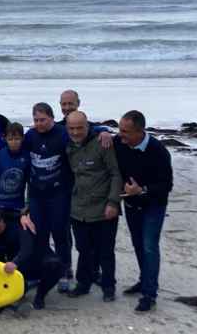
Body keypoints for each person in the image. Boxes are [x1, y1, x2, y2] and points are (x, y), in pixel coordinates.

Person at [114, 110, 173, 312]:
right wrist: (102, 133)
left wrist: (142, 190)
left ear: (140, 131)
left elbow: (166, 185)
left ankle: (149, 294)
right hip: (132, 205)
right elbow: (97, 135)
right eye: (119, 130)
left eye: (125, 131)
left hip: (153, 206)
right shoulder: (120, 142)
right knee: (138, 245)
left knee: (149, 246)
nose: (120, 135)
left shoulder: (158, 151)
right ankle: (143, 280)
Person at [65, 111, 122, 302]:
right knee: (83, 249)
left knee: (105, 250)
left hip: (104, 208)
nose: (75, 132)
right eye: (71, 128)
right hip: (78, 209)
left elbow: (115, 174)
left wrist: (113, 202)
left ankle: (108, 287)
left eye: (79, 127)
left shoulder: (102, 143)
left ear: (87, 126)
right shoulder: (68, 145)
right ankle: (83, 284)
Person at [22, 102, 75, 292]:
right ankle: (41, 271)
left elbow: (84, 134)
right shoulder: (31, 135)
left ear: (52, 118)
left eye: (43, 120)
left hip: (59, 193)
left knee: (60, 234)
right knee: (39, 235)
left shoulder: (62, 133)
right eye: (36, 120)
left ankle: (65, 271)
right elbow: (15, 146)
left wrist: (102, 132)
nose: (39, 124)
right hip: (37, 194)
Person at [0, 206, 64, 310]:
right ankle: (23, 287)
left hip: (34, 261)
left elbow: (27, 249)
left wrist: (15, 262)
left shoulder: (20, 227)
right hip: (15, 266)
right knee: (0, 305)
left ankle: (40, 296)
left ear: (0, 222)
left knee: (55, 265)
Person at [0, 122, 30, 230]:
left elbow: (31, 182)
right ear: (5, 139)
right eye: (10, 139)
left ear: (22, 138)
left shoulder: (27, 156)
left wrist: (27, 203)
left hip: (18, 205)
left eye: (17, 139)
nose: (14, 142)